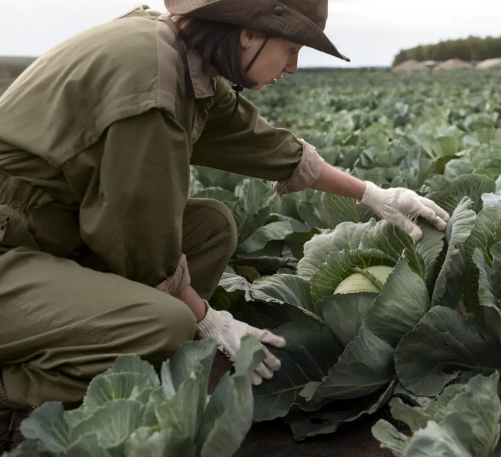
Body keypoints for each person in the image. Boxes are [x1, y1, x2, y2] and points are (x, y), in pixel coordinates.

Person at [0, 0, 449, 450]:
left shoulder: (178, 57)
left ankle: (111, 352)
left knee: (211, 227)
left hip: (50, 230)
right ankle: (19, 401)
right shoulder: (151, 79)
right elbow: (138, 237)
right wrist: (205, 317)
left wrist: (374, 195)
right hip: (11, 244)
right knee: (163, 324)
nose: (292, 67)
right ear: (248, 33)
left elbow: (266, 146)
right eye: (291, 48)